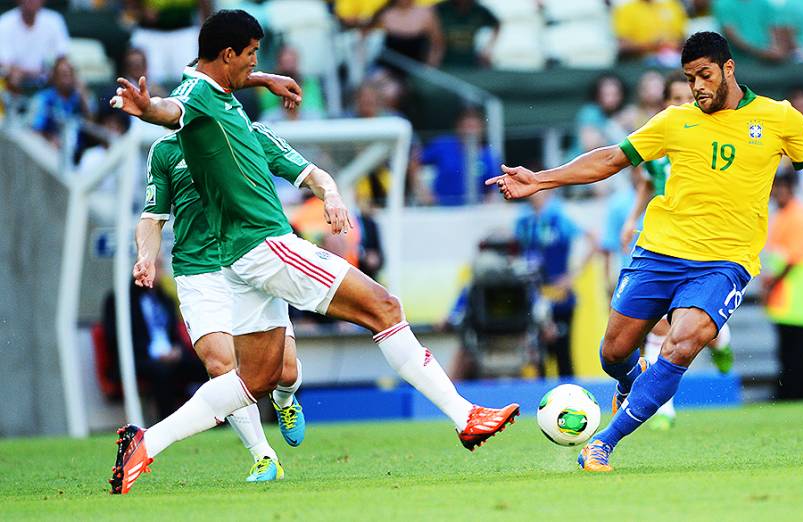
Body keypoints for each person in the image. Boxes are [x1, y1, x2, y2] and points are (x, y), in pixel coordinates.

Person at [109, 9, 518, 494]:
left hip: (238, 258)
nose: (253, 63)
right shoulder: (196, 97)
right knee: (384, 307)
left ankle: (144, 445)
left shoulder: (216, 93)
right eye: (251, 55)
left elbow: (205, 91)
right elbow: (171, 111)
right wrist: (147, 108)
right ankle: (464, 415)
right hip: (266, 244)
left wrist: (263, 77)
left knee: (255, 379)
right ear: (227, 54)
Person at [487, 31, 803, 472]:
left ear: (728, 69)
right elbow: (611, 159)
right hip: (659, 252)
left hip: (725, 263)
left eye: (704, 75)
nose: (698, 85)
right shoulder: (673, 121)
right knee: (612, 354)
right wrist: (542, 179)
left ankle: (604, 442)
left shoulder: (779, 117)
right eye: (689, 77)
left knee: (681, 345)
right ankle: (633, 381)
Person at [136, 122, 317, 483]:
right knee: (223, 366)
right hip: (198, 271)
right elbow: (153, 216)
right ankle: (264, 457)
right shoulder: (166, 150)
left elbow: (303, 171)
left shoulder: (246, 133)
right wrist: (145, 256)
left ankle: (284, 402)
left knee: (285, 372)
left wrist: (330, 193)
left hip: (251, 260)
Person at [616, 72, 735, 431]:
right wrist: (631, 220)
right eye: (675, 98)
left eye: (688, 97)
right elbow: (648, 184)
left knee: (699, 328)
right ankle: (662, 407)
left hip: (707, 243)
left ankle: (722, 339)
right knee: (659, 328)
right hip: (668, 243)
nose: (683, 103)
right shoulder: (662, 140)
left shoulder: (711, 138)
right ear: (665, 103)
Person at [102, 264, 206, 422]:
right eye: (156, 265)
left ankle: (216, 420)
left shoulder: (166, 300)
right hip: (139, 359)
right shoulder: (120, 301)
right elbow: (115, 340)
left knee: (206, 367)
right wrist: (156, 355)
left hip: (170, 357)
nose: (160, 270)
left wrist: (177, 350)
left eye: (161, 266)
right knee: (161, 372)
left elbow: (175, 336)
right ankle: (169, 424)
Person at [515, 191, 595, 377]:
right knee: (537, 354)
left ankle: (569, 396)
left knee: (562, 351)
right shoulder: (524, 219)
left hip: (558, 295)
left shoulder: (560, 214)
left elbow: (594, 239)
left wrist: (571, 276)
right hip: (534, 295)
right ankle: (541, 400)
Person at [763, 172, 803, 401]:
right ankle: (800, 391)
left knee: (796, 348)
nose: (776, 193)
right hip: (785, 294)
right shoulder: (782, 216)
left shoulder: (798, 216)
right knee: (792, 347)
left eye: (780, 188)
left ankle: (794, 392)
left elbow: (793, 258)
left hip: (794, 294)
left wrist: (772, 284)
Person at [420, 106, 499, 206]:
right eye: (466, 126)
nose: (470, 132)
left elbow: (493, 190)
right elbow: (414, 161)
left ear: (482, 128)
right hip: (441, 209)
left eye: (474, 127)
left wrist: (488, 210)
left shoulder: (489, 156)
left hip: (474, 210)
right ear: (458, 127)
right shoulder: (444, 145)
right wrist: (424, 193)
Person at [0, 0, 70, 93]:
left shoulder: (54, 20)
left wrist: (45, 73)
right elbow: (4, 64)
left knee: (66, 72)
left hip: (50, 82)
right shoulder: (4, 22)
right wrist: (36, 73)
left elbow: (62, 57)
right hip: (13, 84)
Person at [30, 57, 91, 149]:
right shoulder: (43, 98)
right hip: (49, 149)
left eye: (70, 74)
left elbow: (92, 126)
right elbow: (35, 131)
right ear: (55, 77)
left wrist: (83, 96)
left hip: (78, 152)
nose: (67, 79)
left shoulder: (79, 97)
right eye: (63, 75)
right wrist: (49, 139)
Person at [612, 0, 687, 64]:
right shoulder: (626, 9)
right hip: (641, 62)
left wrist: (673, 44)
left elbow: (683, 38)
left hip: (675, 58)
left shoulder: (672, 5)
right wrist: (652, 45)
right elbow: (624, 46)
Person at [373, 0, 444, 67]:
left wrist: (430, 65)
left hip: (415, 68)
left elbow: (437, 44)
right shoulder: (385, 15)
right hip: (385, 68)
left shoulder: (426, 14)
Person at [713, 0, 787, 62]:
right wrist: (762, 53)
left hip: (767, 58)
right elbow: (732, 36)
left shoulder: (764, 3)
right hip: (740, 61)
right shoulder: (724, 3)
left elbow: (773, 28)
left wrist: (776, 47)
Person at [434, 0, 499, 68]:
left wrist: (487, 49)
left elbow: (496, 24)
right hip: (444, 61)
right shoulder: (440, 9)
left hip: (470, 61)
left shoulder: (479, 10)